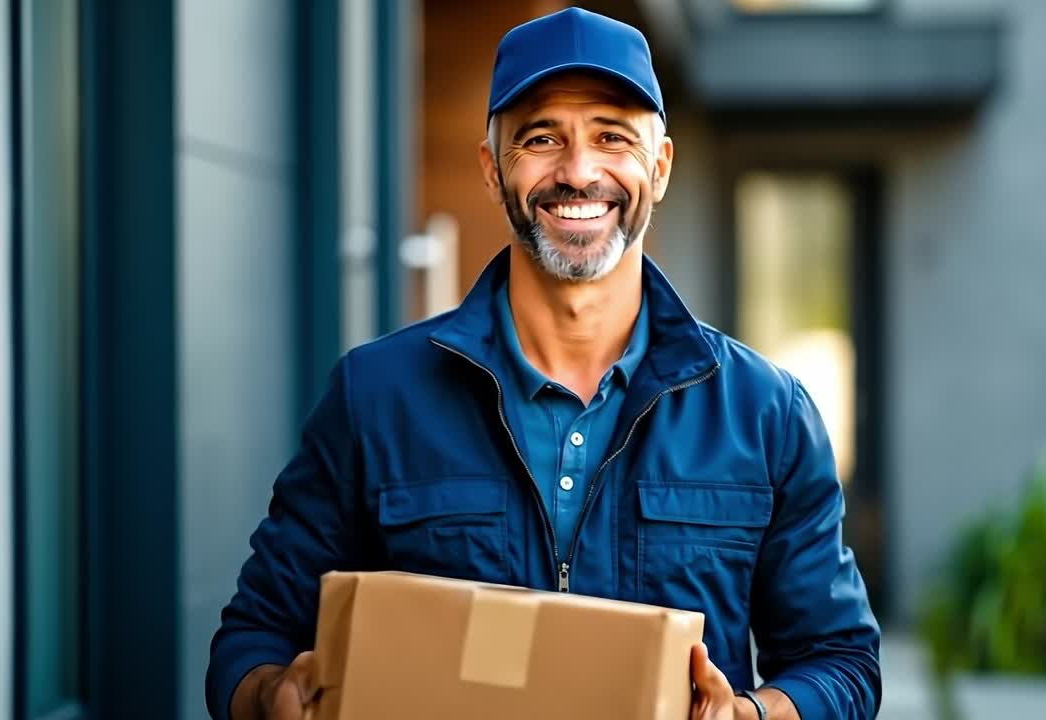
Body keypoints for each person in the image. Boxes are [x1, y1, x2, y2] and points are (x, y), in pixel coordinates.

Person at [206, 8, 880, 720]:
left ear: (661, 165)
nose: (578, 171)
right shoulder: (375, 397)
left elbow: (840, 663)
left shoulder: (765, 413)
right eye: (540, 137)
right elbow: (252, 638)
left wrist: (749, 715)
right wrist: (271, 697)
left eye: (611, 136)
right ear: (493, 172)